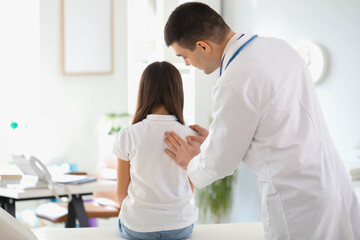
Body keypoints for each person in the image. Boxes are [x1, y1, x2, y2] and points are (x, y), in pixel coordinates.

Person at [163, 2, 360, 240]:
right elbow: (276, 124)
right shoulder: (280, 48)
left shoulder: (234, 81)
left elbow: (220, 163)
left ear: (202, 46)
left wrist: (191, 162)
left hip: (298, 203)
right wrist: (215, 140)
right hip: (333, 185)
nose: (186, 64)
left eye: (184, 56)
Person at [113, 61, 198, 240]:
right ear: (178, 92)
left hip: (138, 228)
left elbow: (121, 196)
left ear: (144, 92)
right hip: (180, 227)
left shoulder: (128, 135)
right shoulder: (192, 136)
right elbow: (190, 190)